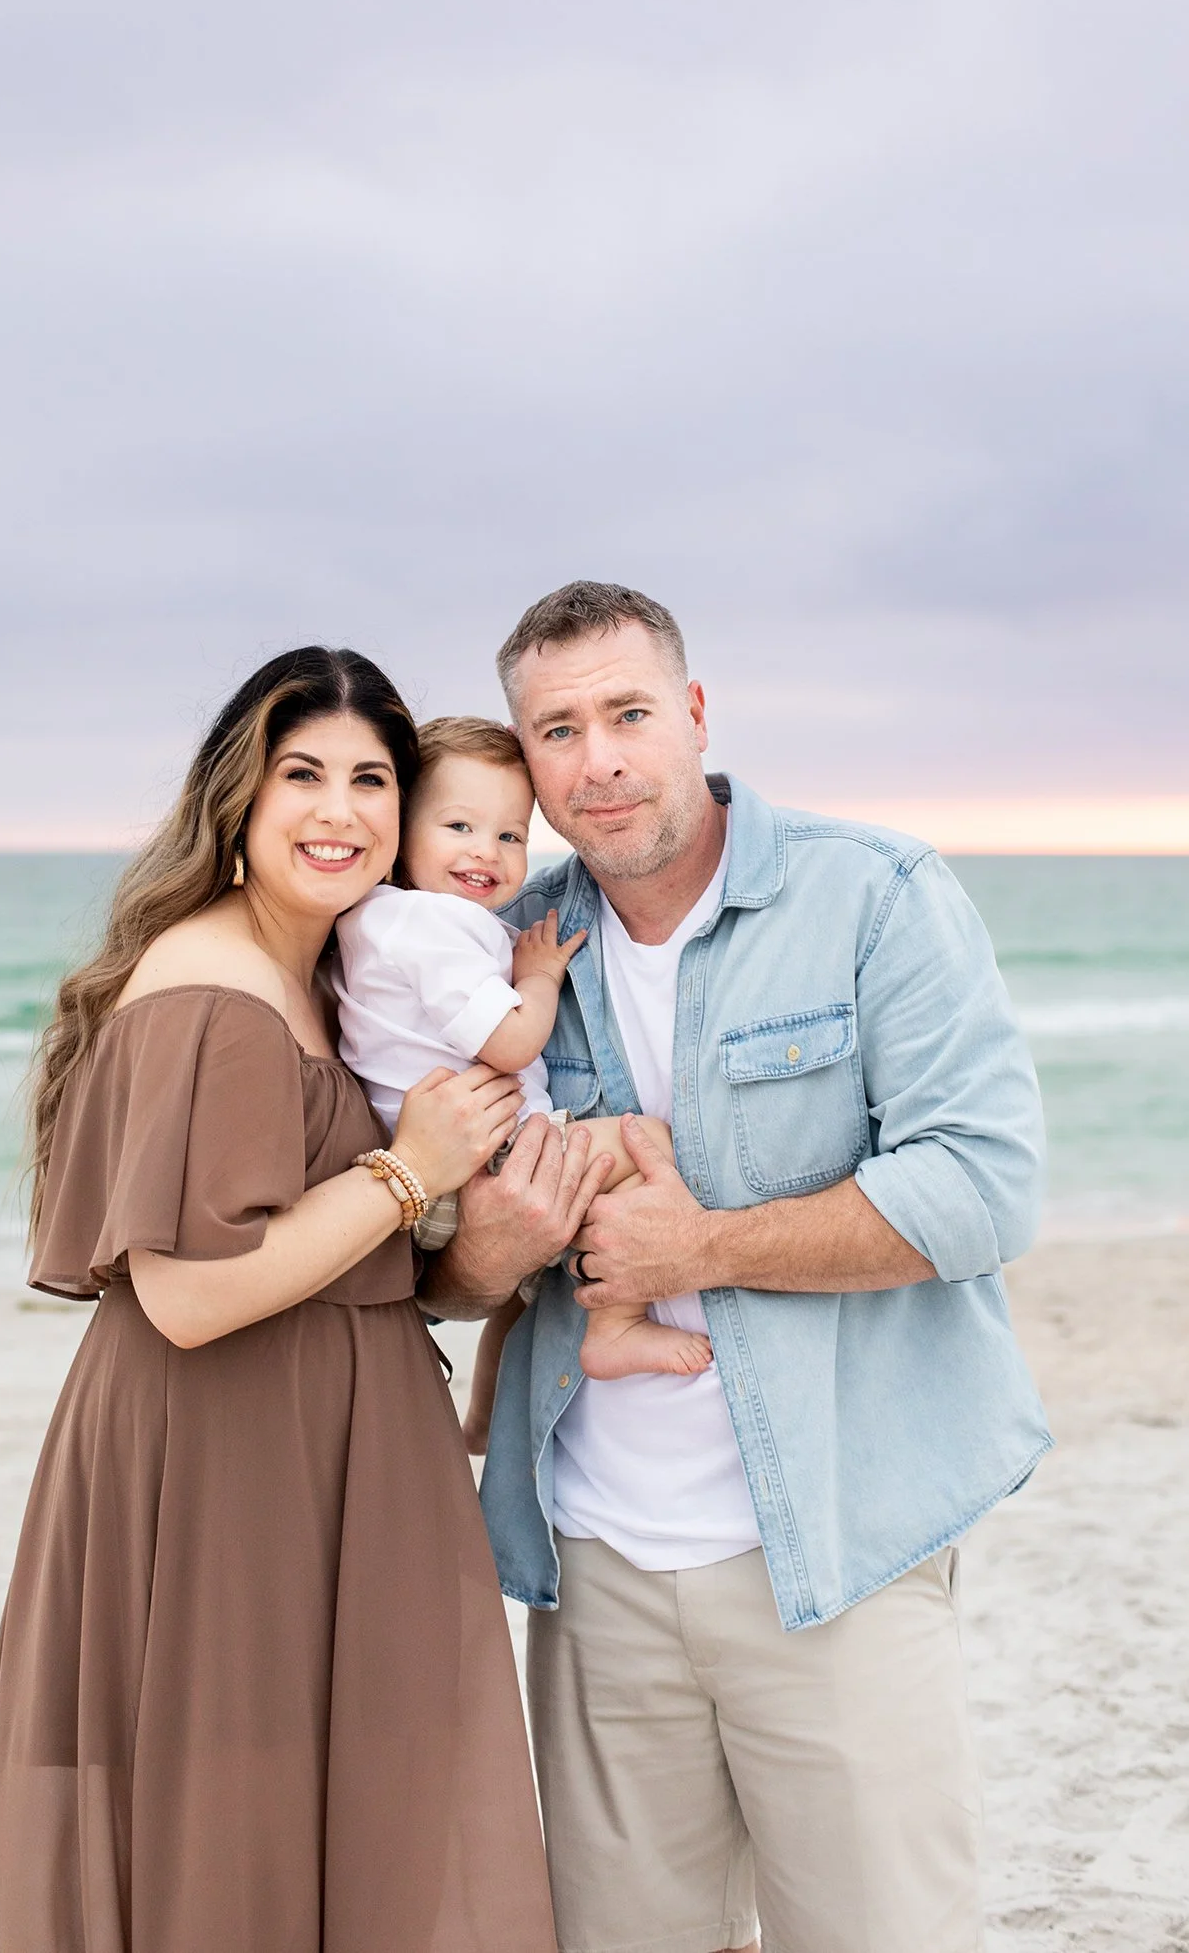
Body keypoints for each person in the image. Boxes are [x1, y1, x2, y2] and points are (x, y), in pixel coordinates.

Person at [421, 582, 1051, 1953]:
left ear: (694, 715)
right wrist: (496, 1242)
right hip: (594, 1574)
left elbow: (986, 1185)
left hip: (834, 1553)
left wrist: (700, 1246)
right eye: (558, 730)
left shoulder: (872, 895)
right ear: (524, 763)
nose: (598, 760)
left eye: (629, 714)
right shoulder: (502, 955)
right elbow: (440, 1276)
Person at [0, 647, 559, 1953]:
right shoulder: (211, 987)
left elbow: (336, 1251)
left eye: (371, 781)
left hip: (324, 1446)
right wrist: (412, 1169)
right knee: (227, 1828)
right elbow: (190, 1295)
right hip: (223, 1460)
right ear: (240, 796)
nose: (339, 811)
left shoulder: (332, 972)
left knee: (328, 1815)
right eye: (303, 775)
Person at [334, 714, 710, 1454]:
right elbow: (508, 1043)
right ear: (399, 831)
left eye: (511, 835)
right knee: (648, 1141)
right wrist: (536, 979)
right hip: (486, 1157)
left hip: (442, 1174)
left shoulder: (379, 918)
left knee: (529, 1294)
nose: (487, 851)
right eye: (459, 826)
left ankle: (483, 1418)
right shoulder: (428, 925)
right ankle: (616, 1324)